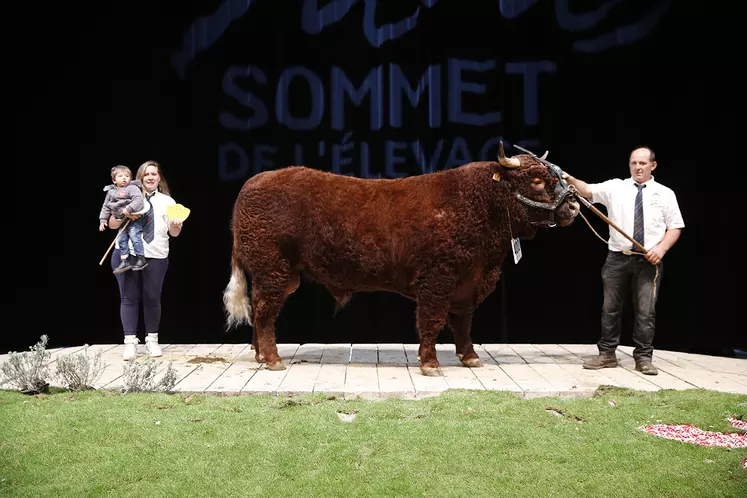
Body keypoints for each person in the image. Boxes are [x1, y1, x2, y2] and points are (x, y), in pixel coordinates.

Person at [563, 146, 684, 375]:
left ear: (653, 165)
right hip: (617, 258)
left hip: (648, 260)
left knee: (646, 312)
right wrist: (567, 177)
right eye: (633, 163)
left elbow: (675, 227)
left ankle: (643, 358)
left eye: (642, 163)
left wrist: (661, 249)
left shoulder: (665, 193)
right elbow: (586, 190)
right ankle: (607, 354)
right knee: (610, 308)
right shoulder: (615, 187)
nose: (637, 167)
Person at [107, 160, 185, 361]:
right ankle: (130, 343)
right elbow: (112, 223)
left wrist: (177, 225)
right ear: (139, 178)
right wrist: (124, 214)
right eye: (146, 174)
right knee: (129, 298)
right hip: (128, 254)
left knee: (152, 298)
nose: (150, 177)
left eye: (154, 174)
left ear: (159, 179)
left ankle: (152, 340)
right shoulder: (126, 197)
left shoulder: (168, 202)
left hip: (156, 255)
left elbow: (174, 233)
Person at [99, 165, 149, 273]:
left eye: (127, 176)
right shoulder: (111, 192)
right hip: (120, 220)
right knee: (121, 240)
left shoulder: (132, 188)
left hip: (133, 219)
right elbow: (106, 207)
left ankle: (141, 258)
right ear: (114, 180)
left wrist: (128, 210)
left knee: (134, 236)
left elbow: (139, 201)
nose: (124, 178)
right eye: (120, 176)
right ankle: (124, 261)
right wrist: (103, 220)